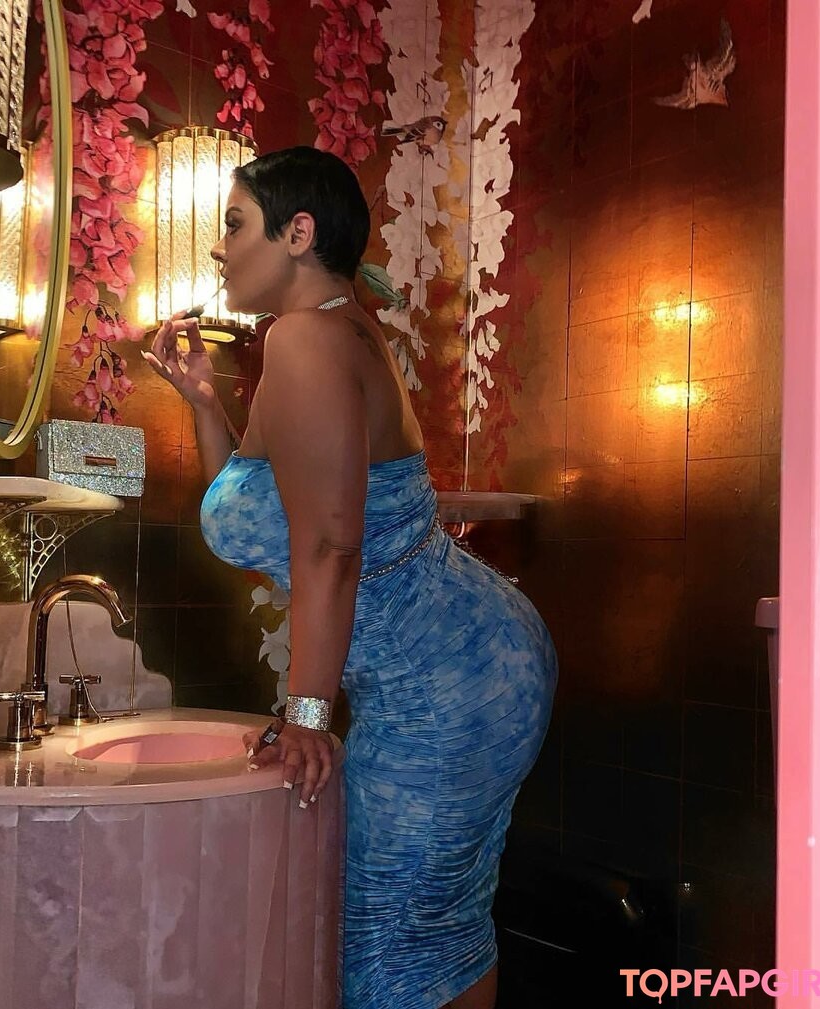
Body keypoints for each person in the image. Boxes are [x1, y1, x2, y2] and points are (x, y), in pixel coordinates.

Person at [142, 146, 557, 1009]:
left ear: (298, 233)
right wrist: (205, 403)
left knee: (383, 941)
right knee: (436, 928)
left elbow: (332, 547)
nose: (218, 246)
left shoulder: (307, 341)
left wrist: (307, 716)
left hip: (445, 682)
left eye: (234, 224)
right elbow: (267, 511)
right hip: (465, 659)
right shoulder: (318, 335)